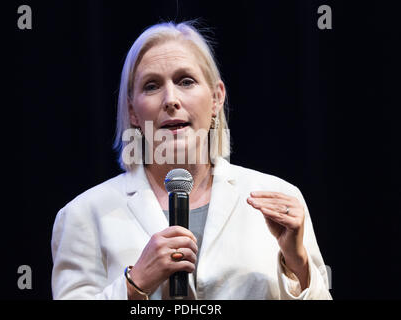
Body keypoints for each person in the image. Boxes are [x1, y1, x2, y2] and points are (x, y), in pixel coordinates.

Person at [51, 20, 332, 300]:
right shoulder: (84, 215)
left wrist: (299, 263)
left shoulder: (279, 198)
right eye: (151, 86)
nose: (171, 99)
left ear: (216, 98)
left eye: (186, 81)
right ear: (132, 111)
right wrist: (135, 284)